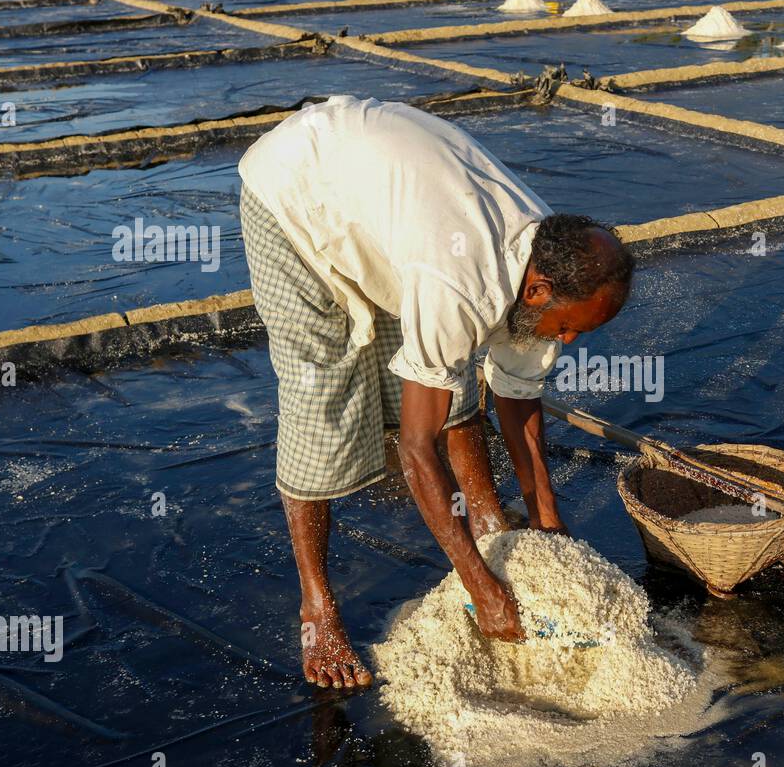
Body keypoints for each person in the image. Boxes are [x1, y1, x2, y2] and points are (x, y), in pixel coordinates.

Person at [238, 96, 634, 689]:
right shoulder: (460, 285)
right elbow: (417, 449)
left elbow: (517, 396)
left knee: (450, 380)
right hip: (296, 191)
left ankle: (488, 519)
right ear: (537, 291)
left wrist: (548, 519)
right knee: (320, 395)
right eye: (569, 327)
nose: (571, 340)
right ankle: (317, 606)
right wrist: (479, 585)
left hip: (393, 207)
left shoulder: (554, 258)